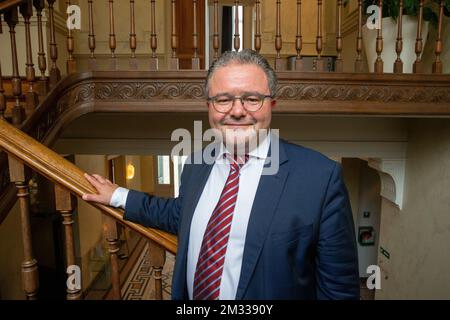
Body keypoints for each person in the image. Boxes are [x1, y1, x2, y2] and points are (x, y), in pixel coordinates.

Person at [83, 49, 360, 300]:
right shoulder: (196, 165)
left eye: (252, 99)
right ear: (209, 107)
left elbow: (339, 290)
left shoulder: (320, 178)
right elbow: (178, 214)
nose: (237, 111)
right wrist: (118, 195)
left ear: (271, 105)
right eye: (223, 100)